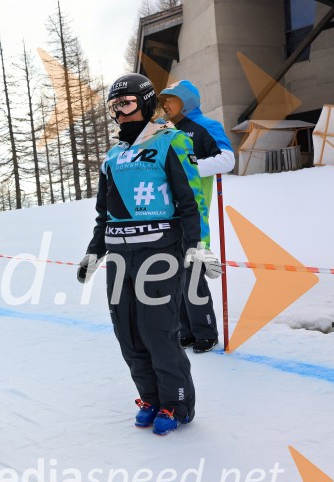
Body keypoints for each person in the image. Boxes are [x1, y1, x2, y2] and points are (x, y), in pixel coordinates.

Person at [76, 73, 220, 436]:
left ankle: (177, 403)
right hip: (120, 255)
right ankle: (151, 398)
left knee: (157, 330)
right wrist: (95, 251)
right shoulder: (112, 156)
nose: (120, 113)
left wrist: (197, 245)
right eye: (114, 107)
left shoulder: (171, 141)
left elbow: (191, 200)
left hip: (159, 251)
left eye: (125, 104)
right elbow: (104, 212)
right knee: (127, 332)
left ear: (144, 102)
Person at [159, 80, 235, 354]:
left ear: (187, 101)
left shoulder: (205, 126)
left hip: (194, 211)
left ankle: (205, 332)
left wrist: (188, 168)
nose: (166, 105)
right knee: (172, 273)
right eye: (164, 101)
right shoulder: (164, 130)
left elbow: (227, 159)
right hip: (165, 212)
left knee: (192, 274)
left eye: (171, 100)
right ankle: (187, 331)